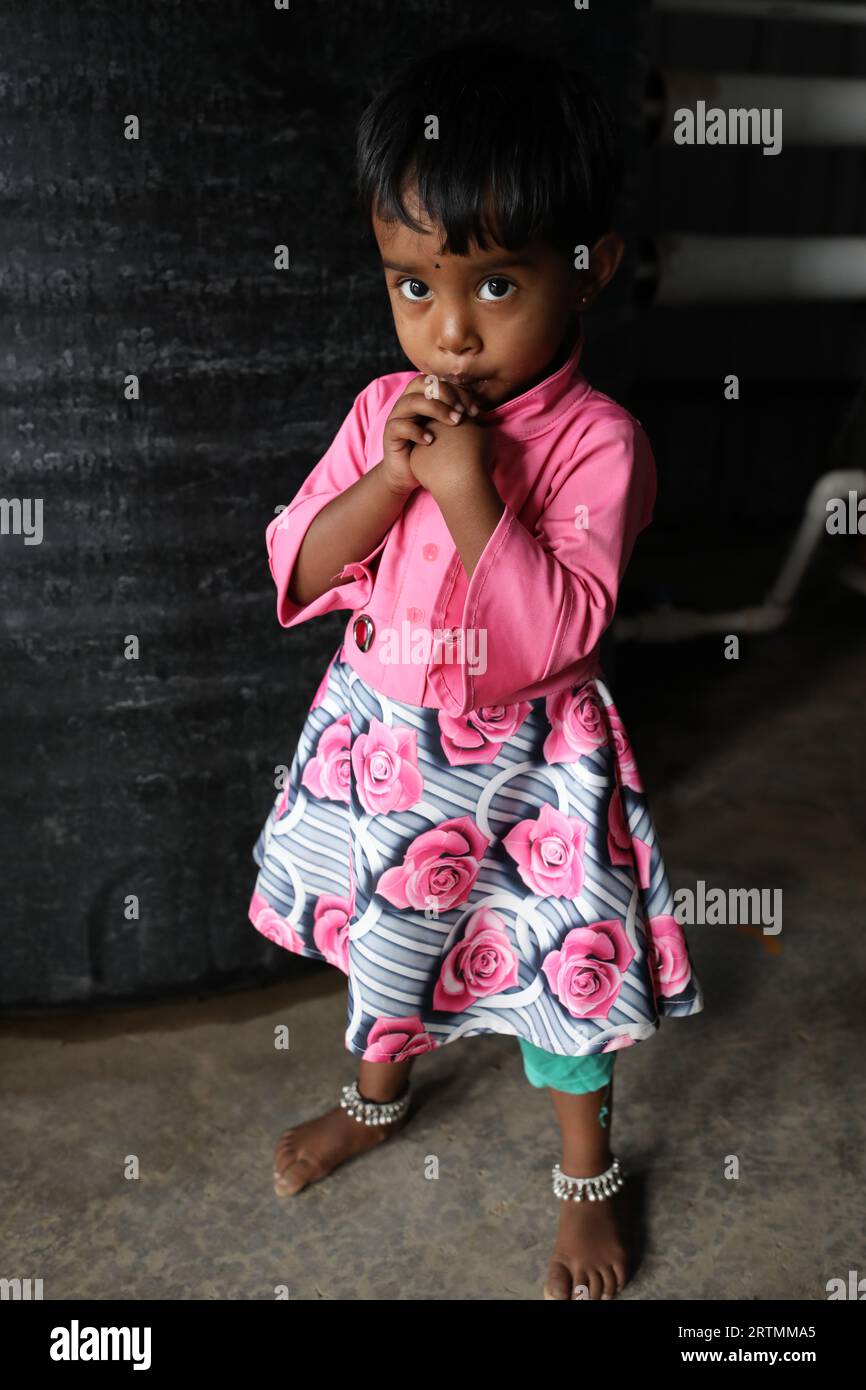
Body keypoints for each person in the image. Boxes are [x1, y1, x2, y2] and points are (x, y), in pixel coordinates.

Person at [248, 36, 704, 1301]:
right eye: (411, 287)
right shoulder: (380, 412)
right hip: (389, 756)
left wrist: (465, 492)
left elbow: (556, 632)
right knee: (391, 948)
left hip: (529, 781)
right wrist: (393, 475)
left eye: (494, 286)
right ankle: (375, 1100)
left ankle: (585, 1176)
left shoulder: (594, 444)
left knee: (561, 973)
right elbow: (296, 560)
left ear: (588, 268)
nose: (446, 332)